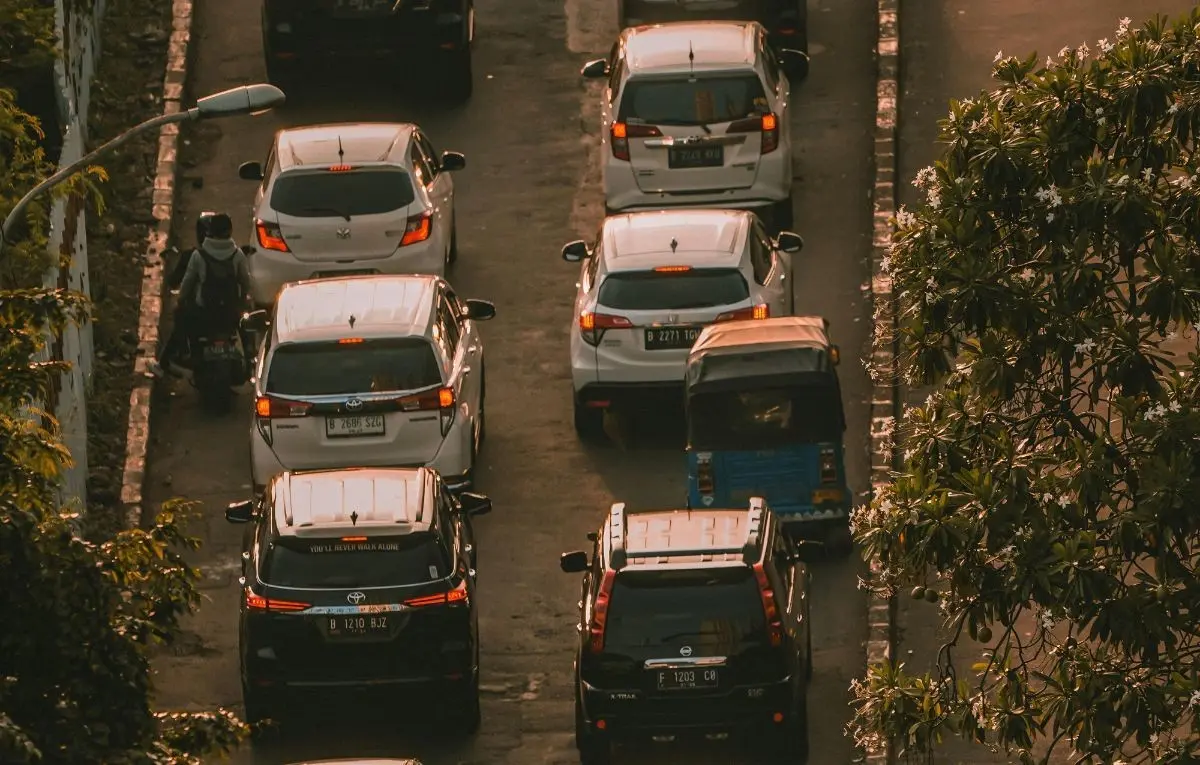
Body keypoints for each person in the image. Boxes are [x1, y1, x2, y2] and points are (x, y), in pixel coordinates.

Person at [149, 212, 253, 378]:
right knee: (247, 325)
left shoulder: (199, 255)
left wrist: (181, 301)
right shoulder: (237, 255)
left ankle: (163, 364)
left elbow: (187, 284)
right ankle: (251, 363)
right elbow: (246, 282)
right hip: (229, 314)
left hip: (204, 313)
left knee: (181, 319)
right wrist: (244, 300)